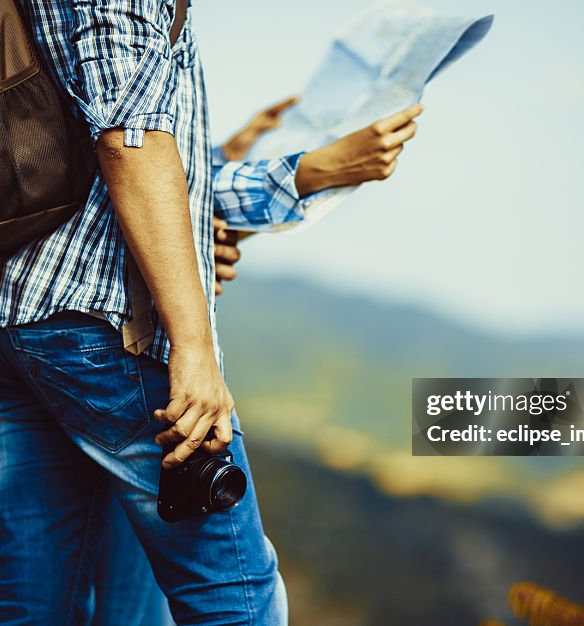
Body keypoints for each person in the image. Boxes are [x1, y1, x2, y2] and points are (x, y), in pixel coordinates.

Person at [89, 97, 423, 625]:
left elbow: (106, 160)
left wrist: (217, 161)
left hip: (14, 326)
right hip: (116, 330)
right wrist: (316, 169)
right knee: (237, 596)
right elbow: (130, 148)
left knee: (43, 590)